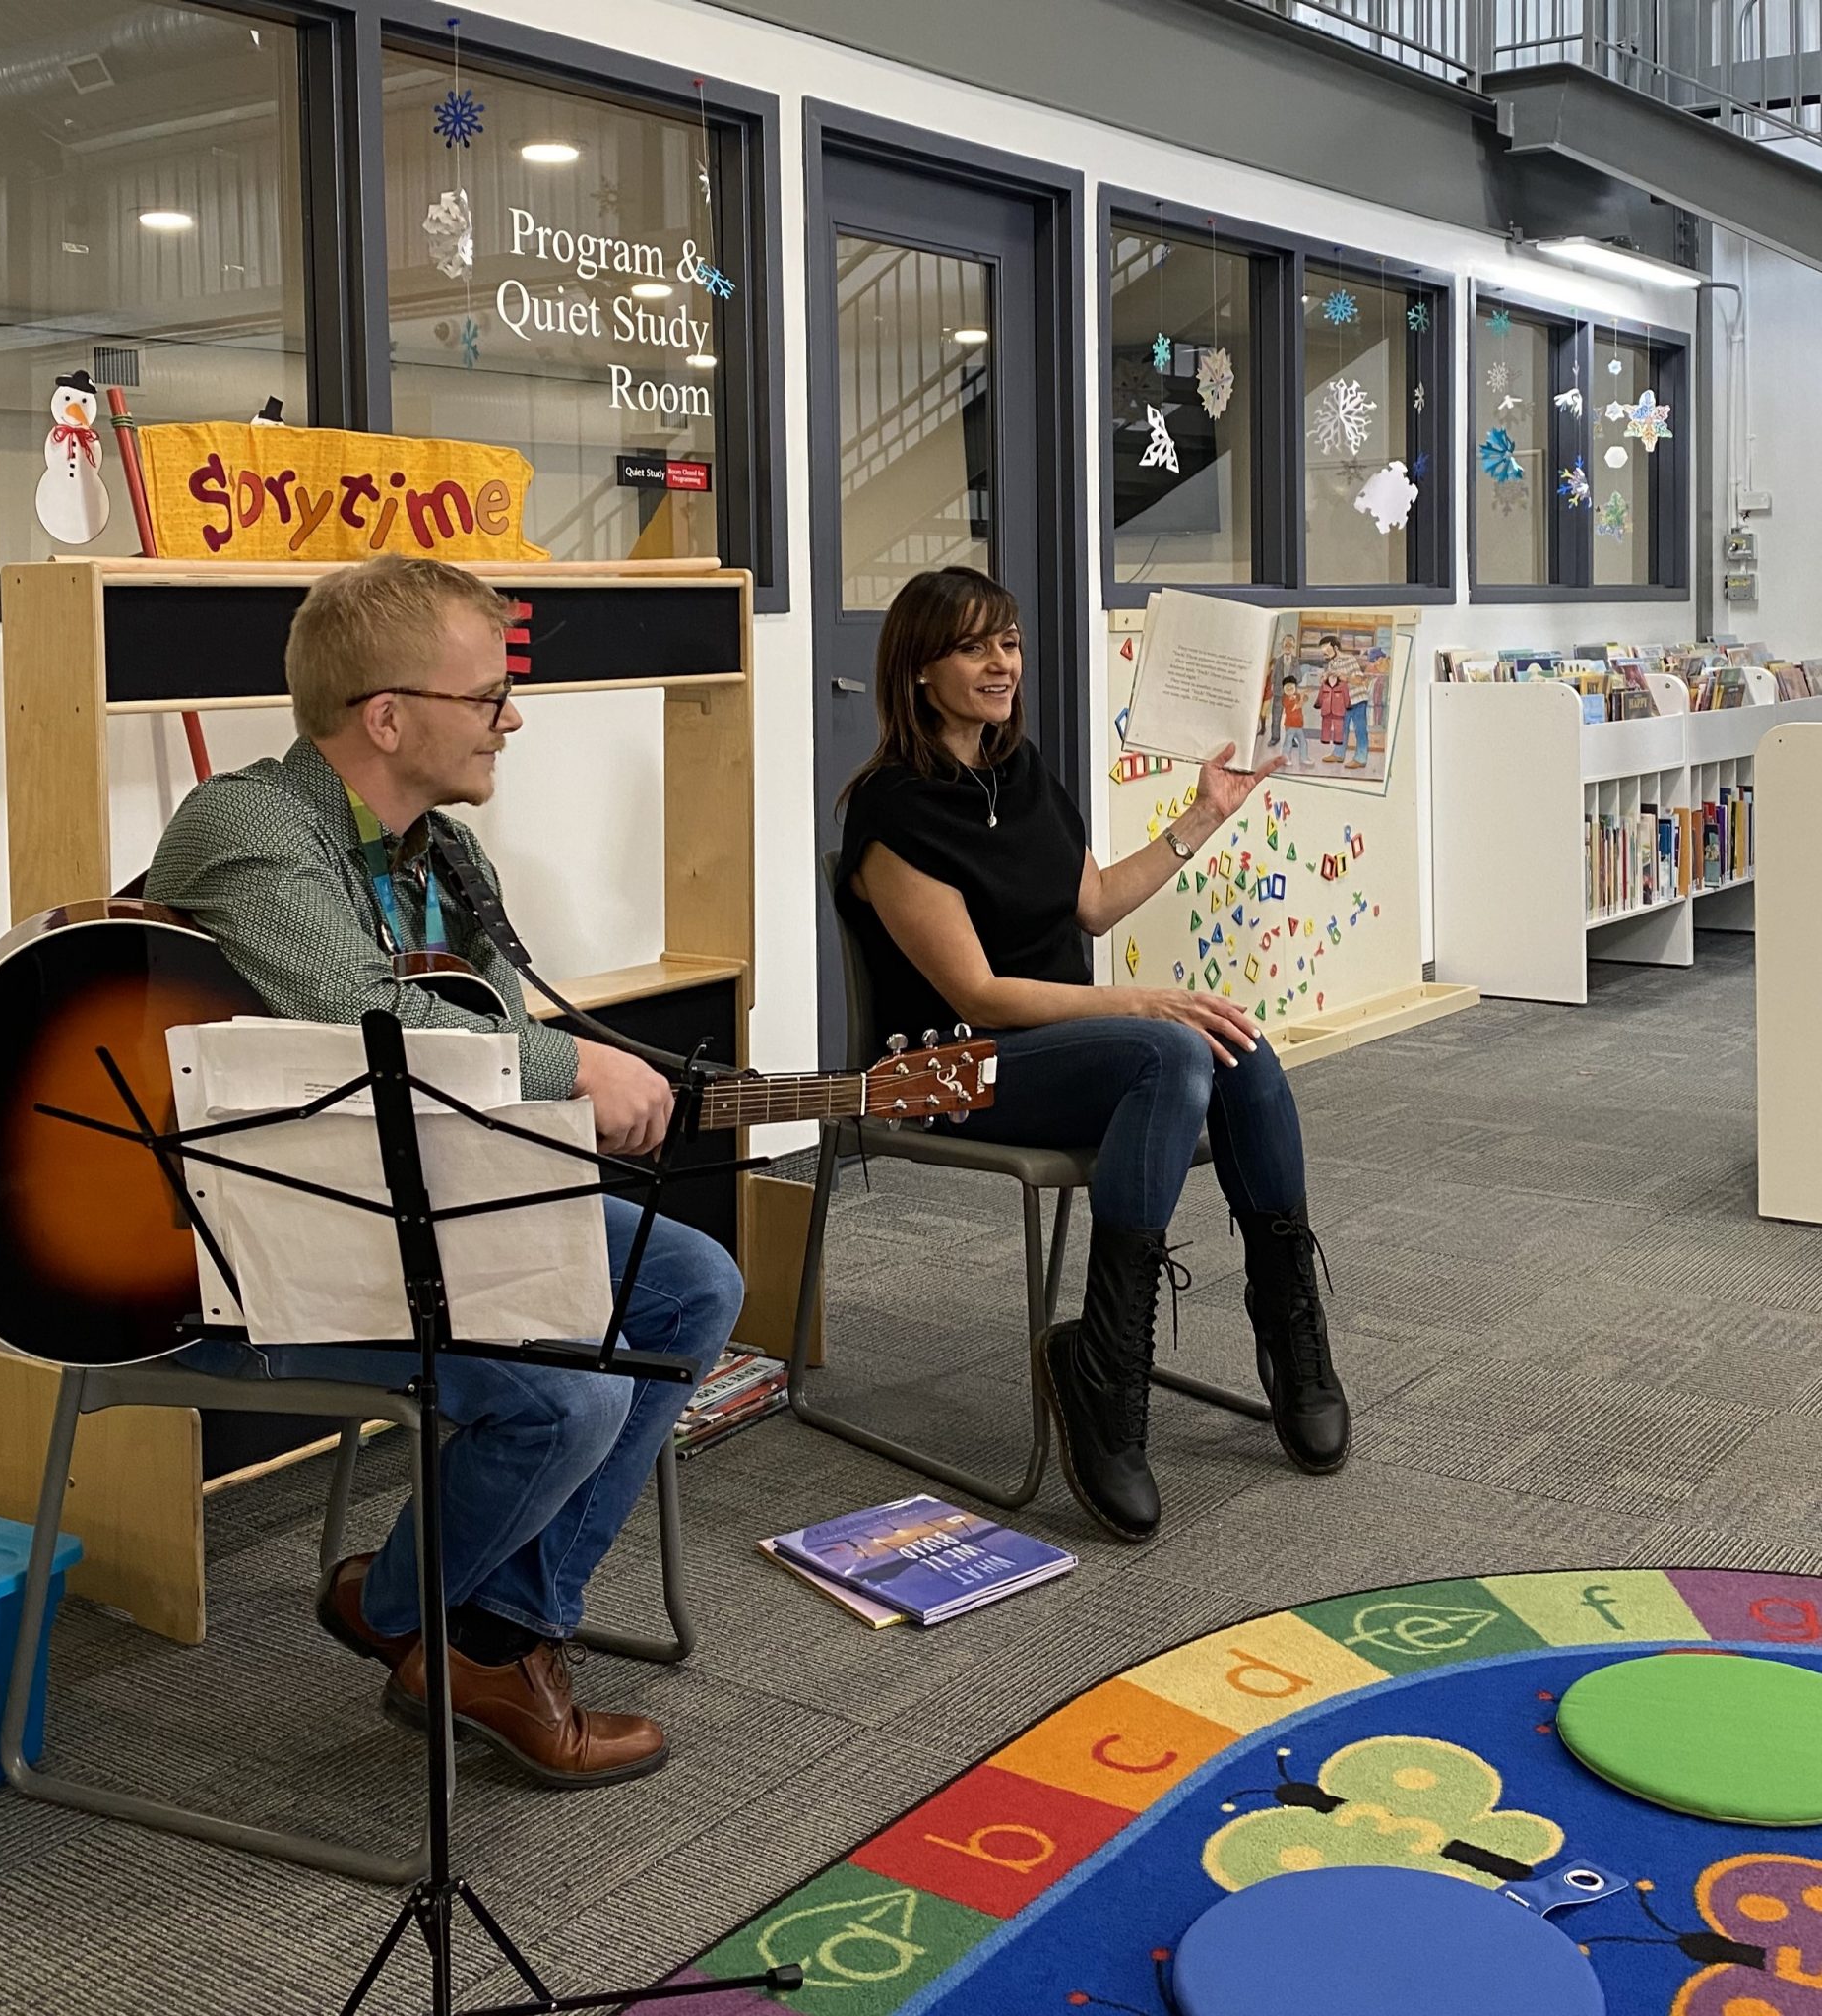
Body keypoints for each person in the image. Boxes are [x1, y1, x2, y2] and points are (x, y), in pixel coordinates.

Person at [147, 554, 736, 1788]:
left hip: (408, 1216)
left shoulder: (447, 858)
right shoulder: (246, 824)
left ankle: (482, 1634)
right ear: (387, 715)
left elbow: (480, 1075)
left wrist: (569, 1090)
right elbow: (352, 1011)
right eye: (488, 697)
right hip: (220, 1255)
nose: (510, 720)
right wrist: (569, 1070)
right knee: (567, 1397)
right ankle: (428, 1615)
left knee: (691, 1284)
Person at [834, 566, 1350, 1543]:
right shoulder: (890, 815)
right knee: (1169, 1048)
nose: (1000, 663)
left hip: (1060, 1055)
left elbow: (1094, 903)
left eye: (1010, 641)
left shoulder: (1022, 771)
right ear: (917, 671)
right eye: (973, 645)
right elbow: (976, 994)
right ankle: (1103, 1364)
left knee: (1234, 1044)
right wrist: (1140, 1000)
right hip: (944, 1068)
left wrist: (1207, 811)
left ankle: (1288, 1323)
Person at [1322, 634, 1371, 770]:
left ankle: (1361, 759)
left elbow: (1359, 680)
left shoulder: (1350, 659)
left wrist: (1345, 678)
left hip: (1357, 700)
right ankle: (1338, 754)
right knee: (1340, 729)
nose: (1325, 653)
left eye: (1327, 650)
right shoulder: (1332, 663)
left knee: (1360, 729)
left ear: (1335, 647)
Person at [1279, 670, 1309, 769]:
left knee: (1303, 742)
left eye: (1292, 687)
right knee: (1288, 743)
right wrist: (1302, 698)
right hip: (1290, 725)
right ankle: (1285, 758)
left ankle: (1304, 758)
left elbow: (1305, 699)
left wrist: (1304, 696)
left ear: (1295, 688)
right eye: (1287, 688)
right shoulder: (1285, 699)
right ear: (1283, 689)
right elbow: (1297, 705)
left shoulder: (1296, 695)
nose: (1290, 689)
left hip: (1299, 725)